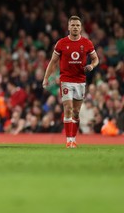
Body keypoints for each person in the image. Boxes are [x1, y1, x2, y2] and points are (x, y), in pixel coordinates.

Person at [42, 15, 99, 148]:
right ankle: (69, 141)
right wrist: (46, 78)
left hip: (80, 80)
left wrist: (91, 66)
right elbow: (53, 62)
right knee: (68, 108)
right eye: (73, 25)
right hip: (66, 80)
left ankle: (73, 138)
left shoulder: (87, 43)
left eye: (77, 25)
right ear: (68, 27)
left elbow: (96, 59)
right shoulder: (61, 43)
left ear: (81, 28)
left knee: (76, 113)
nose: (75, 27)